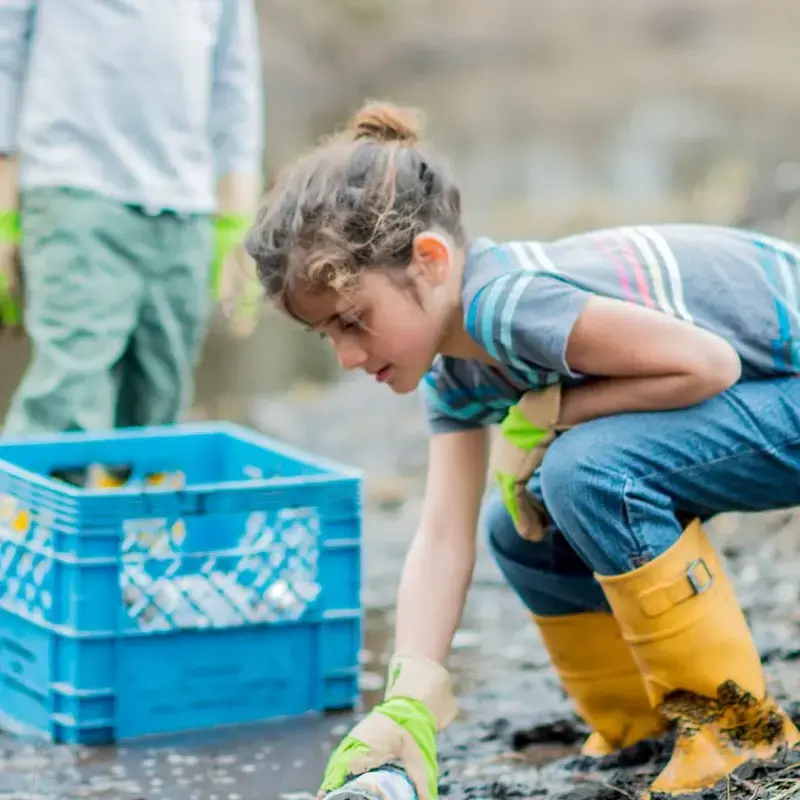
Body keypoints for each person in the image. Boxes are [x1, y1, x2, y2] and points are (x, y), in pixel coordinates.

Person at [244, 101, 800, 800]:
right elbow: (443, 536)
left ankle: (737, 732)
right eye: (326, 334)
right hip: (763, 405)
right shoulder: (454, 369)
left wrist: (543, 419)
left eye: (355, 320)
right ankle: (641, 726)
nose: (348, 355)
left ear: (431, 261)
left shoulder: (506, 305)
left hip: (787, 382)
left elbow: (710, 365)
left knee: (584, 469)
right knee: (517, 525)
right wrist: (407, 700)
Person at [0, 0, 264, 450]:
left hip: (186, 205)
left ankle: (132, 517)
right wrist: (5, 210)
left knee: (159, 404)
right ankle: (24, 517)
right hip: (76, 186)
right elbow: (6, 48)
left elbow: (234, 77)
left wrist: (238, 223)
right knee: (69, 394)